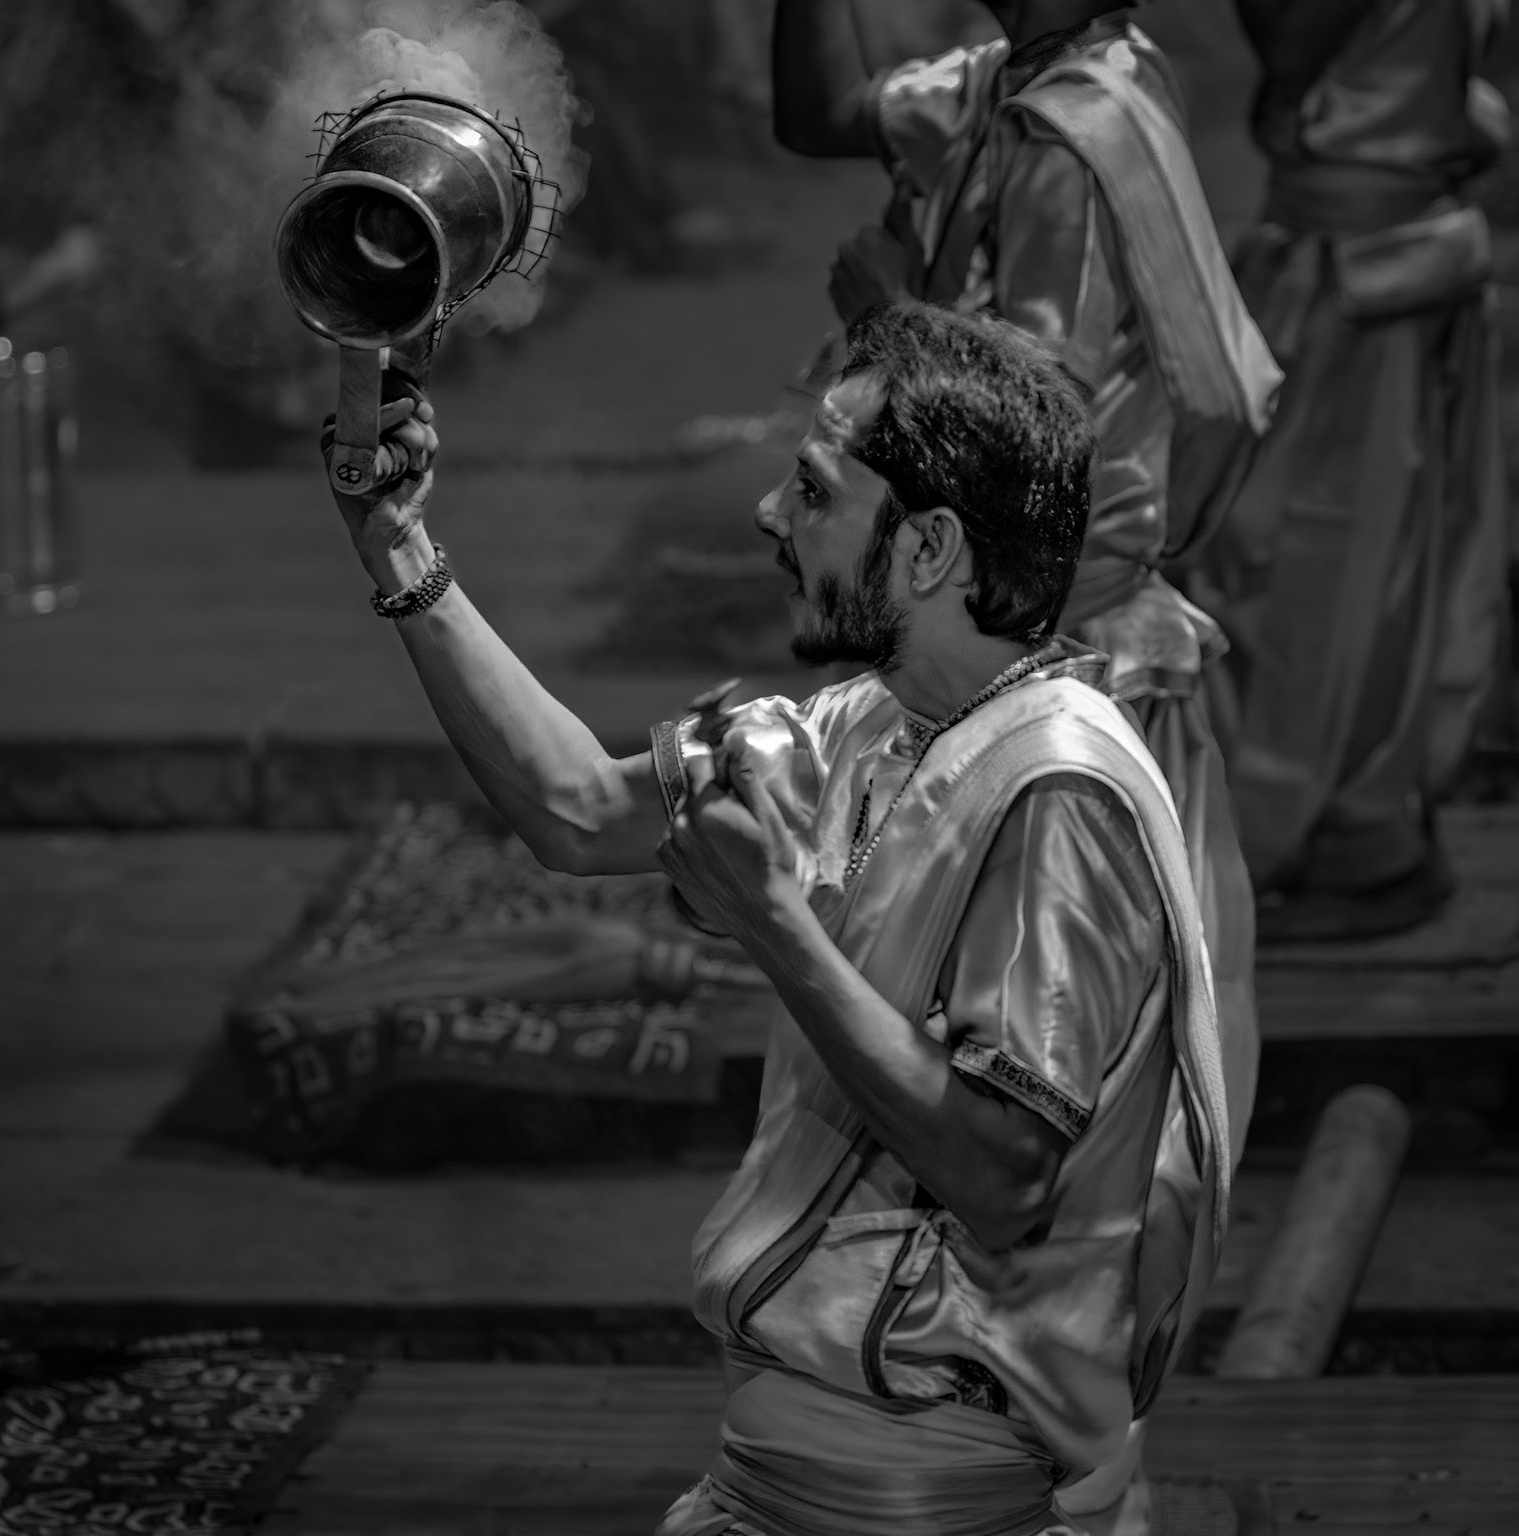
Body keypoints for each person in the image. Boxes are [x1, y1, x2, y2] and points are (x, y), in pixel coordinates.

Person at [324, 302, 1230, 1536]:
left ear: (927, 548)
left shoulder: (1056, 784)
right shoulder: (866, 723)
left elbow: (1003, 1169)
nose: (767, 512)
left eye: (813, 488)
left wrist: (774, 923)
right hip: (790, 1468)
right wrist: (397, 543)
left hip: (926, 1495)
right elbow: (578, 808)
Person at [768, 0, 1276, 1149]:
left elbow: (1029, 418)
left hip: (1054, 655)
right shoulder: (1013, 82)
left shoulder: (1076, 135)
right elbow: (816, 111)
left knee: (1038, 1069)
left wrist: (887, 317)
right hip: (1004, 624)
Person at [1165, 0, 1511, 939]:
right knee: (1354, 557)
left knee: (1307, 562)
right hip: (1375, 249)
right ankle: (1347, 830)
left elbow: (1287, 31)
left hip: (1363, 264)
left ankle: (1332, 846)